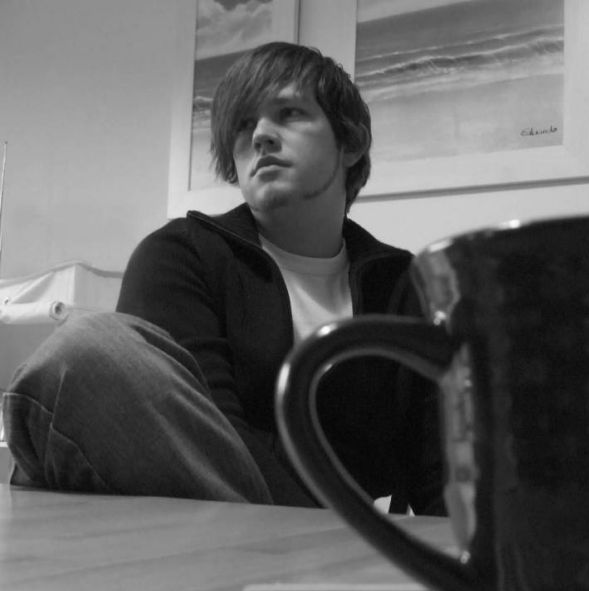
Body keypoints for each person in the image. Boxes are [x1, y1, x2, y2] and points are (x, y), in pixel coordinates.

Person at [1, 42, 445, 514]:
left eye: (289, 113)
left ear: (350, 143)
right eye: (244, 125)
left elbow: (440, 470)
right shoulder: (180, 254)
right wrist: (328, 534)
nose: (261, 136)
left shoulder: (407, 284)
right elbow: (202, 438)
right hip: (212, 528)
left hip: (355, 542)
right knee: (89, 352)